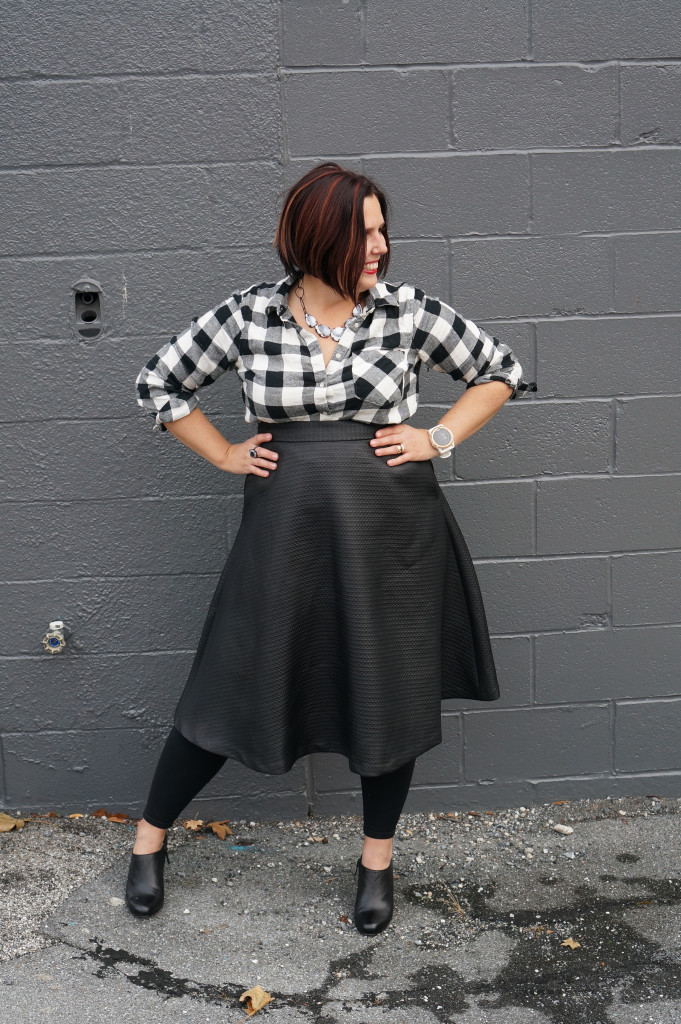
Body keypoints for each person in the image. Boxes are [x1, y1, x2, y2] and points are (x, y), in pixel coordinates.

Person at [126, 161, 537, 935]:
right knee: (229, 683)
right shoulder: (249, 315)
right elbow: (160, 384)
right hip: (282, 531)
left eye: (384, 230)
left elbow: (500, 371)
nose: (380, 246)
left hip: (392, 532)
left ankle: (375, 864)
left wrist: (437, 435)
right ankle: (148, 843)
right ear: (318, 237)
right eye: (364, 231)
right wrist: (221, 453)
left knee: (387, 692)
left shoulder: (407, 311)